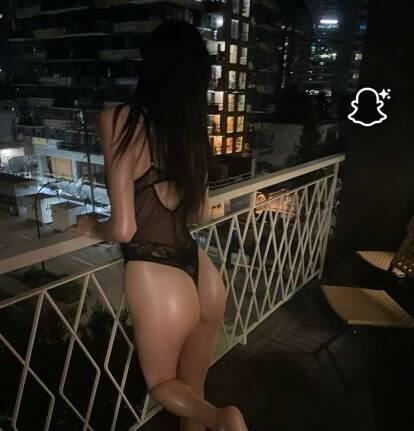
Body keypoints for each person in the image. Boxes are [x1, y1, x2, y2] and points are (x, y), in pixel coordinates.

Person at [68, 19, 249, 431]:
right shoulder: (191, 133)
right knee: (193, 387)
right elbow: (199, 214)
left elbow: (124, 229)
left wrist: (91, 226)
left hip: (155, 269)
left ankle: (222, 419)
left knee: (164, 385)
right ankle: (209, 417)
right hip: (201, 271)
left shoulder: (120, 120)